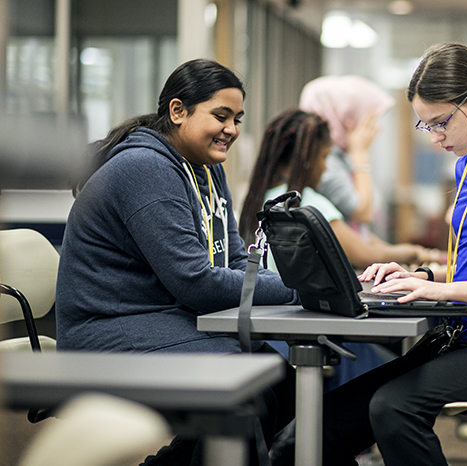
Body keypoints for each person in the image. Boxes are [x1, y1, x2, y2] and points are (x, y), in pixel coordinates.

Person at [274, 42, 467, 466]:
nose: (436, 136)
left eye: (441, 122)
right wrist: (425, 277)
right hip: (462, 340)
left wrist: (446, 291)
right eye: (426, 126)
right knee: (325, 428)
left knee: (393, 407)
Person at [54, 59, 297, 466]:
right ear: (178, 111)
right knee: (243, 394)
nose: (232, 130)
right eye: (220, 116)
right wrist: (299, 286)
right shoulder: (143, 168)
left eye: (237, 119)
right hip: (105, 330)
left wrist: (299, 281)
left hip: (162, 316)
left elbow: (236, 259)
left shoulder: (206, 168)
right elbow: (196, 284)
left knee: (280, 381)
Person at [239, 108, 432, 270]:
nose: (325, 167)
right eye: (324, 157)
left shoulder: (256, 199)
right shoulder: (309, 203)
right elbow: (366, 255)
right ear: (307, 158)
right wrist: (414, 252)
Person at [298, 75, 393, 226]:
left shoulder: (341, 155)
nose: (375, 129)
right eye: (367, 119)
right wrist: (361, 154)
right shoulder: (324, 162)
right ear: (347, 118)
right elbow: (363, 213)